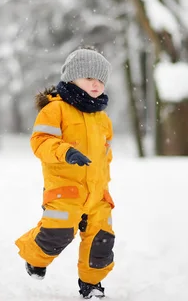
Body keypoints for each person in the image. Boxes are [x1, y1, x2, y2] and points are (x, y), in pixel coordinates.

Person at [15, 46, 115, 299]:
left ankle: (92, 286)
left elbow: (106, 153)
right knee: (55, 235)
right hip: (65, 188)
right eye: (89, 78)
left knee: (101, 242)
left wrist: (102, 184)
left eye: (101, 80)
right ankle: (33, 257)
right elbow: (40, 142)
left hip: (97, 195)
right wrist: (65, 151)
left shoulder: (102, 118)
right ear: (72, 78)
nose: (96, 84)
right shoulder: (55, 109)